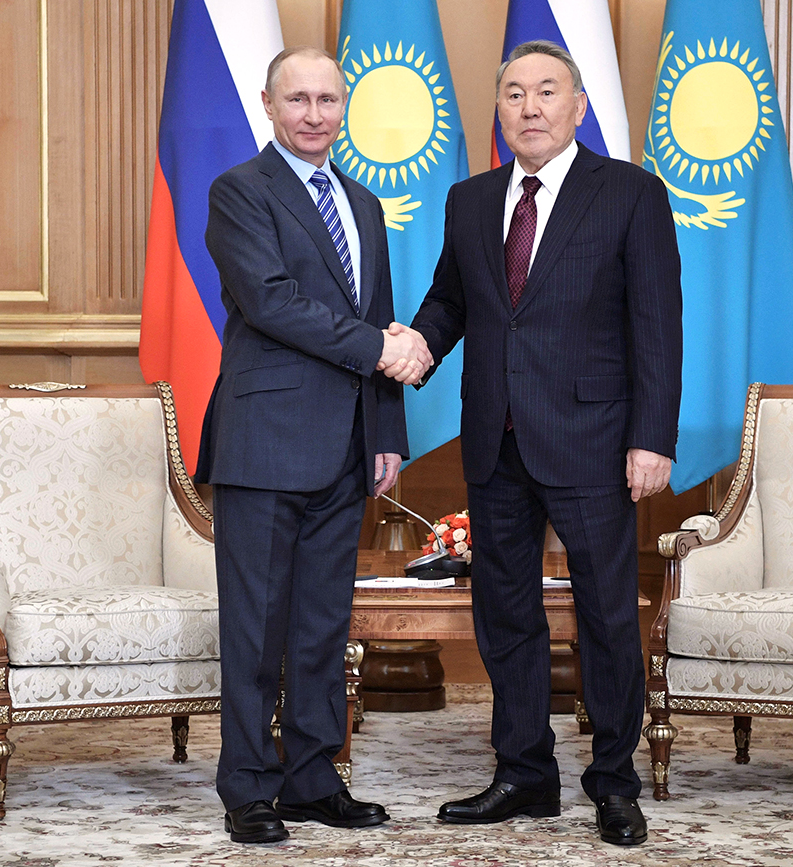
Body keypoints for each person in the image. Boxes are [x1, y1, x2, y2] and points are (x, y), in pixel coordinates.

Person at [397, 40, 682, 847]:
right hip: (495, 439)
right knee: (507, 615)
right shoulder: (469, 198)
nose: (529, 107)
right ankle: (524, 771)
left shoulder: (630, 194)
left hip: (595, 440)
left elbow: (657, 326)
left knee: (603, 616)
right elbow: (450, 301)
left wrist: (650, 437)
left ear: (578, 106)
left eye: (546, 92)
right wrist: (415, 347)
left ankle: (614, 781)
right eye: (515, 93)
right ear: (500, 110)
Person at [197, 46, 432, 845]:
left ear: (344, 106)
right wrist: (380, 349)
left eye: (328, 99)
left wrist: (389, 430)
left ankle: (310, 776)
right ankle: (249, 785)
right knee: (257, 626)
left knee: (324, 622)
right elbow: (271, 302)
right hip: (264, 441)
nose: (314, 113)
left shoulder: (364, 204)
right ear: (268, 105)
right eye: (297, 99)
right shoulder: (240, 192)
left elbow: (384, 312)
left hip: (349, 444)